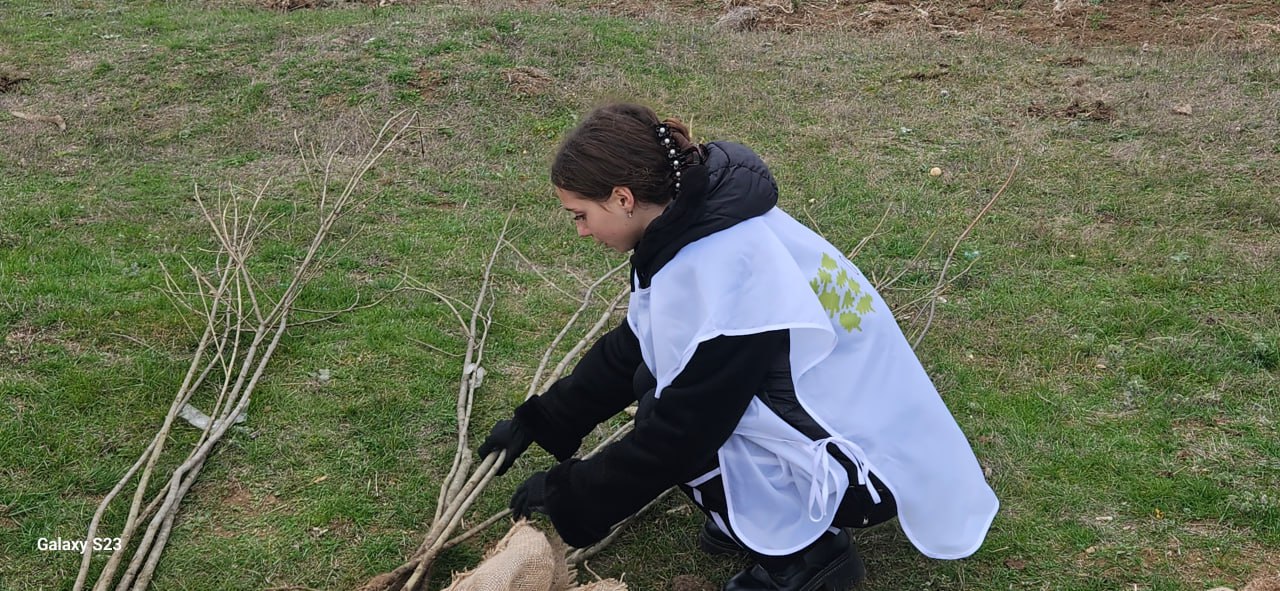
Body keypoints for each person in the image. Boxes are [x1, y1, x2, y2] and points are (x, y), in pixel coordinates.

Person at [478, 103, 998, 590]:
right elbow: (638, 343)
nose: (580, 231)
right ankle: (758, 518)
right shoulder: (698, 220)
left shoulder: (725, 267)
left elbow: (684, 431)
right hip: (855, 417)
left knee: (667, 404)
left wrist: (573, 493)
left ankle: (807, 557)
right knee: (661, 381)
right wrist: (542, 420)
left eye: (580, 214)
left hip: (867, 462)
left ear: (622, 198)